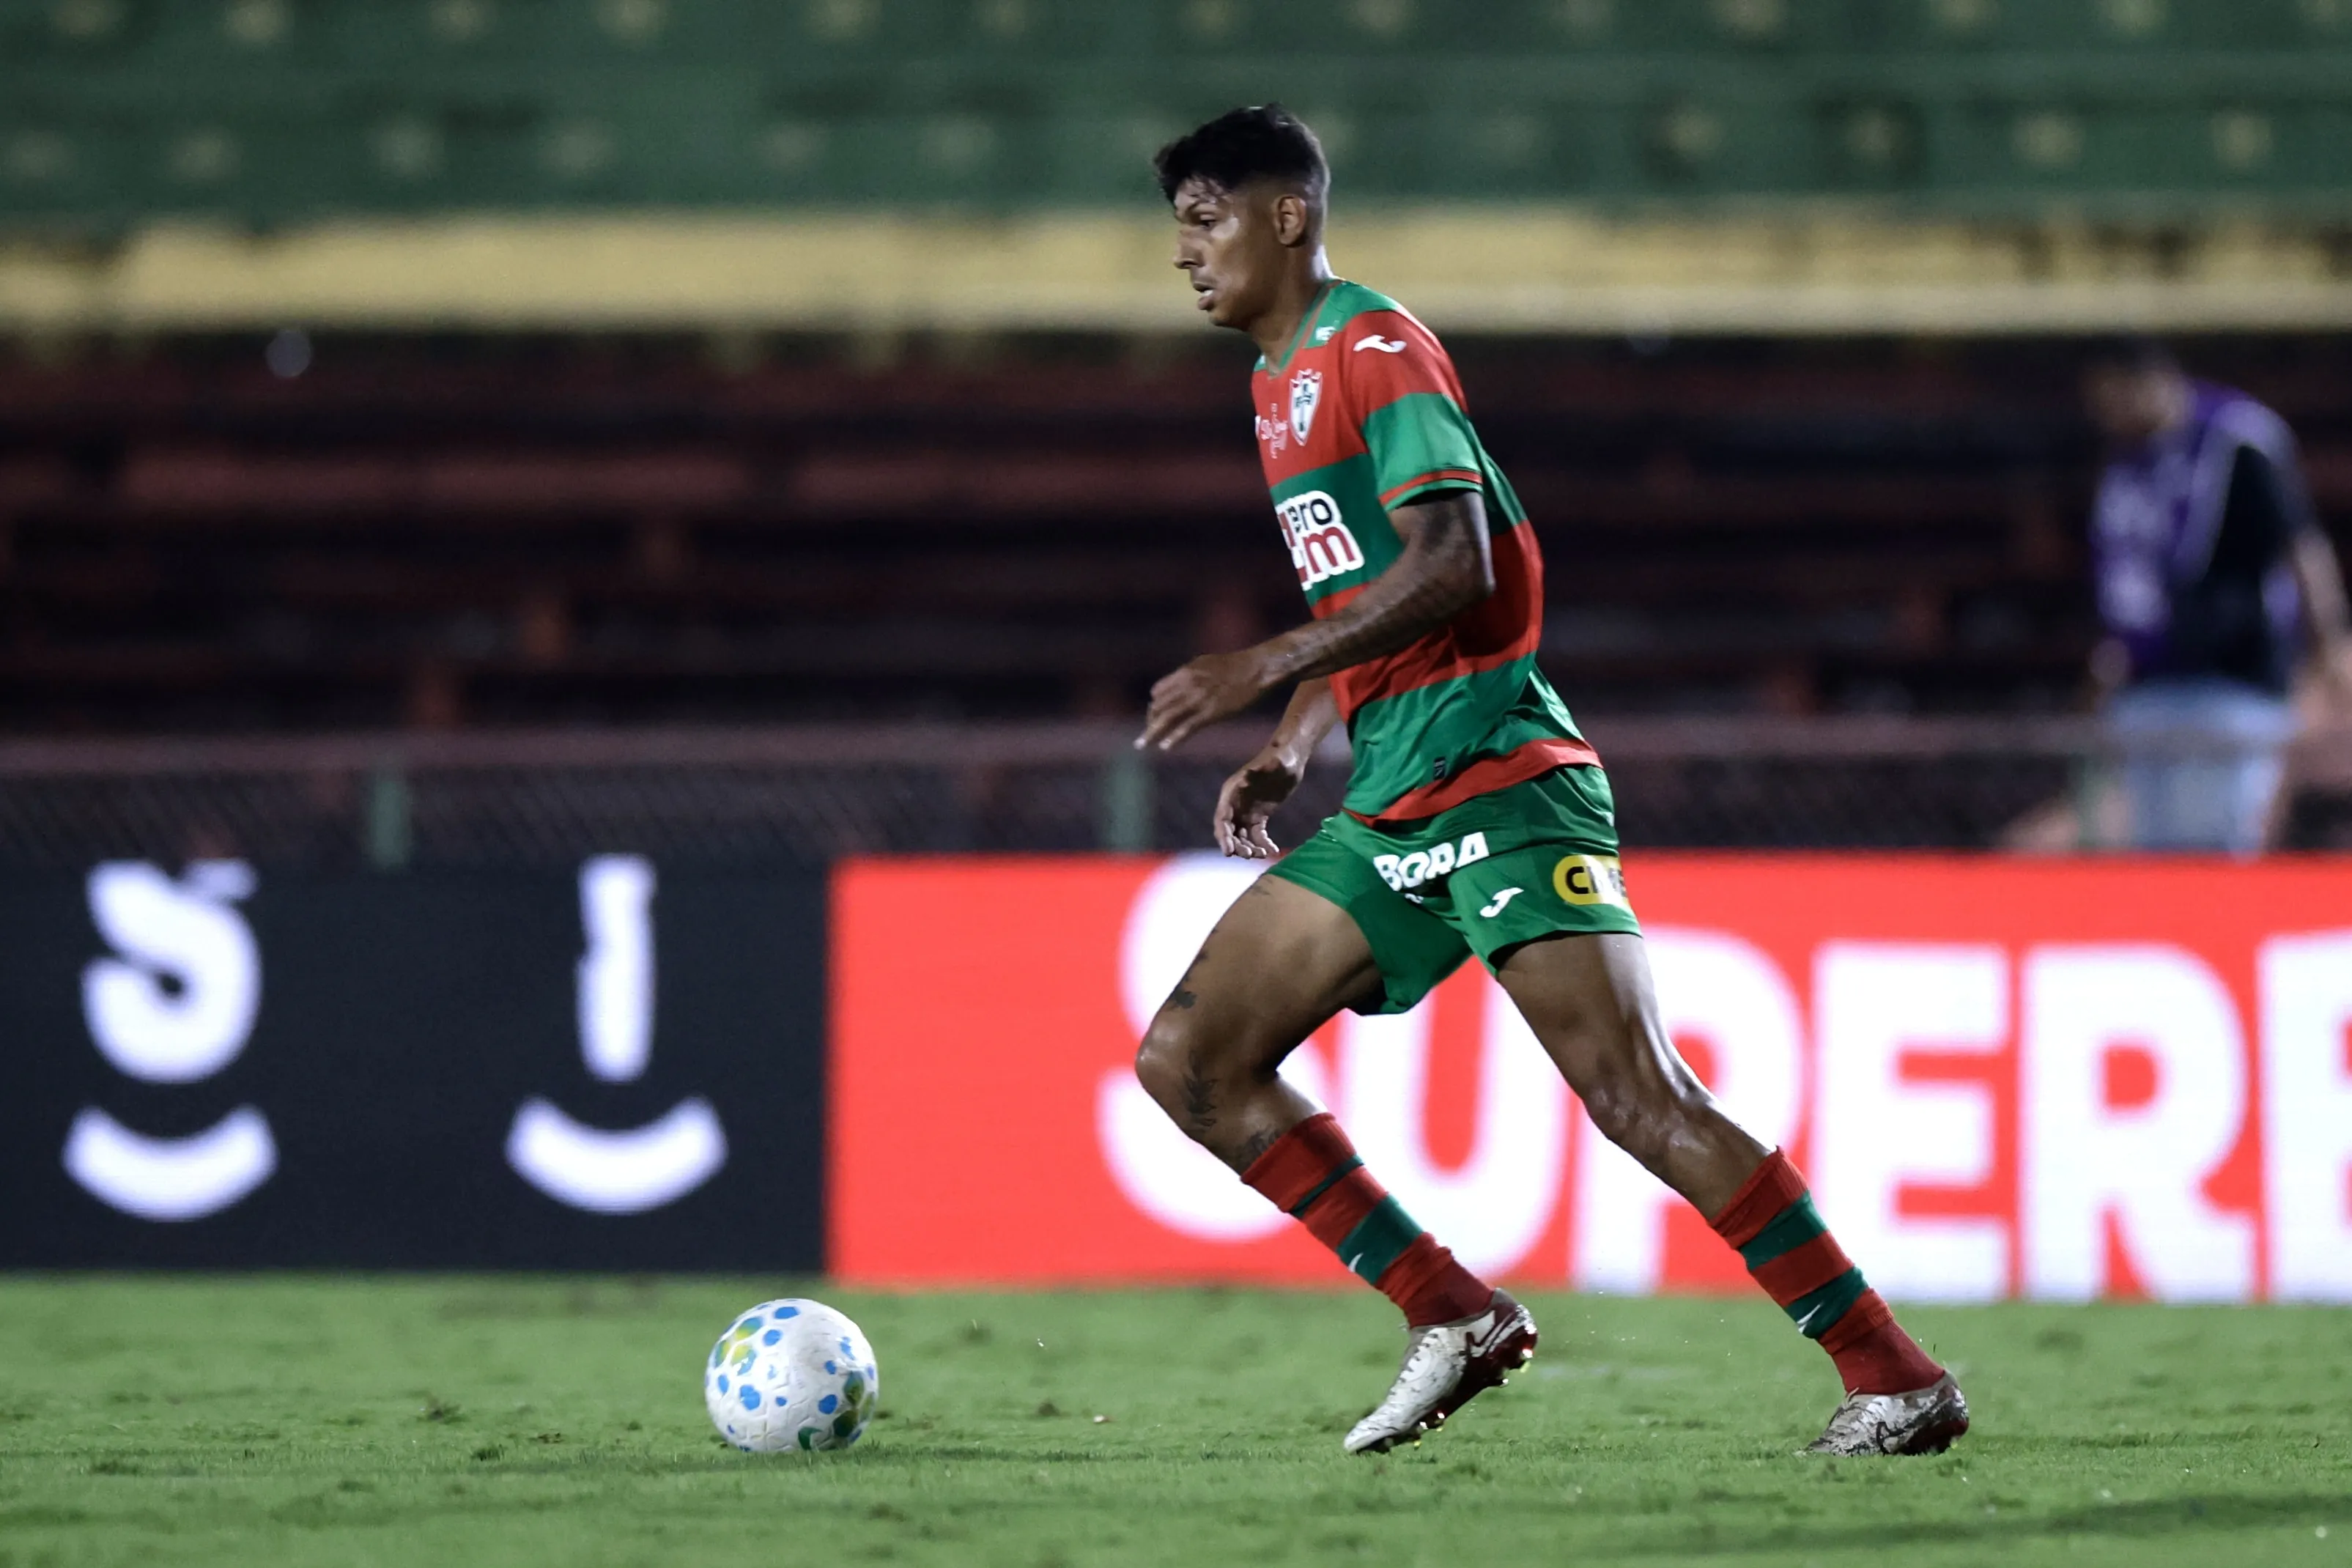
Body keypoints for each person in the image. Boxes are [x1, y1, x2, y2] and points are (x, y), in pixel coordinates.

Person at [1131, 104, 1967, 1458]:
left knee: (1640, 1098)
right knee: (1192, 1059)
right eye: (1178, 226)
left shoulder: (1373, 350)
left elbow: (1453, 563)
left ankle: (1896, 1377)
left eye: (1206, 217)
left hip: (1501, 778)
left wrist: (1264, 656)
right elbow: (1376, 592)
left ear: (1290, 217)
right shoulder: (1277, 380)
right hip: (1397, 792)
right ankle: (1449, 1312)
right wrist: (1294, 732)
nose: (1185, 252)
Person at [2084, 337, 2352, 853]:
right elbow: (2129, 581)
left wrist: (2332, 641)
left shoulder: (2233, 439)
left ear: (2149, 380)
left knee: (2214, 850)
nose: (2108, 415)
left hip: (2230, 682)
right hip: (2148, 686)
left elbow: (2299, 541)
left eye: (2113, 397)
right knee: (2154, 855)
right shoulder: (2129, 459)